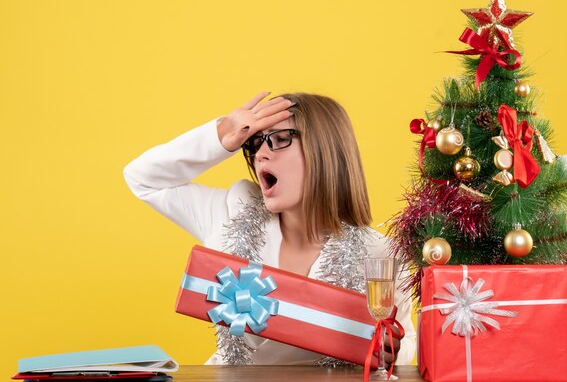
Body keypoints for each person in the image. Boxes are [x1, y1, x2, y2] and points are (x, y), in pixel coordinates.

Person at [123, 92, 416, 366]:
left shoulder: (381, 255)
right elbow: (143, 178)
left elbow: (404, 345)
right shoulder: (232, 211)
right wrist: (222, 135)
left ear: (325, 150)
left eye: (279, 139)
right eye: (254, 143)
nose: (259, 154)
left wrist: (391, 354)